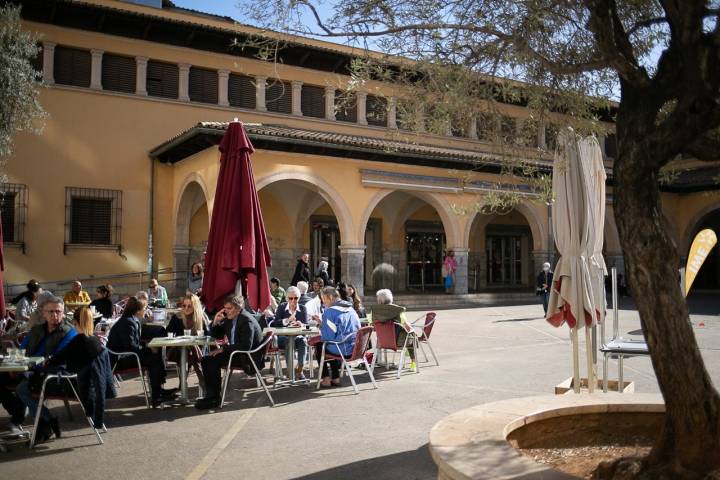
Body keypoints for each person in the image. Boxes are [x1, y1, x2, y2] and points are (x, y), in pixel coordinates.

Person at [15, 296, 77, 443]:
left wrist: (28, 368)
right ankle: (16, 418)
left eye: (58, 311)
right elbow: (20, 351)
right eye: (50, 312)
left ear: (63, 313)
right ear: (43, 313)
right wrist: (16, 365)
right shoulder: (36, 330)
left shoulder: (69, 332)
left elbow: (56, 359)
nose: (54, 315)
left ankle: (44, 420)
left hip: (53, 374)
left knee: (22, 389)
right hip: (28, 369)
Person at [195, 294, 264, 410]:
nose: (226, 311)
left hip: (247, 358)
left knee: (212, 361)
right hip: (236, 353)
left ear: (238, 308)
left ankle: (214, 398)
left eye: (229, 308)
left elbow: (246, 346)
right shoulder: (230, 318)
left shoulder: (246, 321)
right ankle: (211, 395)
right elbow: (217, 335)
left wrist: (223, 349)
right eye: (225, 308)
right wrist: (215, 322)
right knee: (206, 359)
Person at [106, 296, 176, 407]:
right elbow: (131, 346)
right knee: (153, 359)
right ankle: (157, 396)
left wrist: (148, 346)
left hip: (126, 355)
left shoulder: (132, 320)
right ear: (138, 310)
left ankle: (159, 391)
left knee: (156, 355)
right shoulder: (128, 323)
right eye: (145, 308)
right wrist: (148, 347)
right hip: (119, 359)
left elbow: (134, 343)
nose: (146, 310)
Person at [316, 286, 360, 388]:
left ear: (330, 297)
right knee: (329, 344)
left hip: (344, 350)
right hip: (356, 348)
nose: (323, 303)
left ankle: (326, 379)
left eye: (324, 300)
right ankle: (335, 378)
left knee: (320, 346)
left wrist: (322, 327)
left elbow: (327, 337)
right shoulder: (351, 308)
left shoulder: (329, 312)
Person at [166, 294, 209, 389]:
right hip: (176, 350)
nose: (186, 308)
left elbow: (208, 335)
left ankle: (182, 385)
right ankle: (201, 378)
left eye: (189, 306)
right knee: (188, 349)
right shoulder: (177, 317)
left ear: (195, 306)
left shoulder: (201, 317)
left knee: (189, 350)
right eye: (184, 305)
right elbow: (168, 333)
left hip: (197, 351)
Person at [269, 286, 308, 379]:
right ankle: (290, 371)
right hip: (283, 337)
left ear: (299, 298)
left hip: (297, 336)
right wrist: (286, 320)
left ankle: (300, 369)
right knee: (288, 341)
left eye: (296, 298)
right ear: (287, 298)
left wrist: (301, 324)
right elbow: (274, 324)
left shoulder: (302, 308)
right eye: (291, 298)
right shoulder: (282, 307)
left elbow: (307, 326)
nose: (293, 300)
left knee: (303, 341)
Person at [371, 289, 416, 369]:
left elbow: (374, 328)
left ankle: (409, 354)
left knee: (410, 334)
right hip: (398, 341)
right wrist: (412, 330)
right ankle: (413, 361)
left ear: (380, 301)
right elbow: (407, 326)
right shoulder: (398, 310)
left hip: (382, 342)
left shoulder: (375, 311)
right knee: (412, 335)